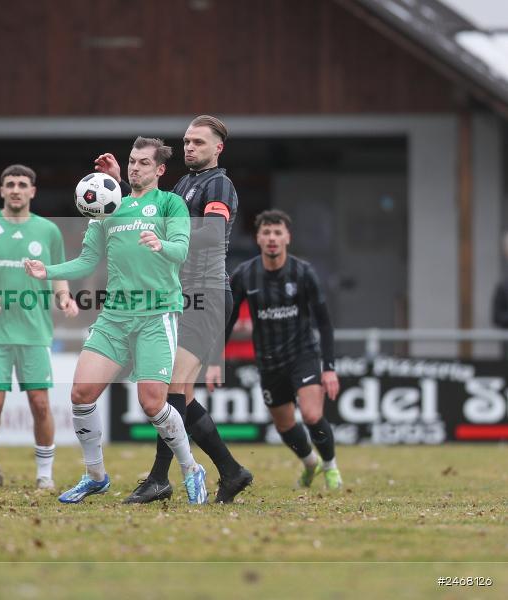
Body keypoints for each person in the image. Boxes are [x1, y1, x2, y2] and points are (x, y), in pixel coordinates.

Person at [26, 137, 209, 504]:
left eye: (144, 162)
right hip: (114, 316)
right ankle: (95, 476)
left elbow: (181, 249)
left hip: (157, 313)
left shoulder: (170, 203)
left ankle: (191, 468)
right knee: (81, 394)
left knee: (153, 403)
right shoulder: (109, 207)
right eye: (132, 161)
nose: (135, 167)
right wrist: (48, 271)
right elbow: (86, 261)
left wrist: (160, 244)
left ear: (159, 170)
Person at [94, 115, 252, 504]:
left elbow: (213, 232)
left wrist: (167, 237)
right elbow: (147, 212)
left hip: (206, 293)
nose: (190, 147)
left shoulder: (218, 184)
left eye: (199, 142)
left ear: (218, 148)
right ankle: (232, 471)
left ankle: (159, 478)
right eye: (186, 141)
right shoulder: (182, 185)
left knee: (169, 389)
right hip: (179, 296)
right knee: (182, 395)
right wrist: (120, 183)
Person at [0, 164, 78, 491]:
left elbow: (57, 272)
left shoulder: (48, 231)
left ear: (33, 191)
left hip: (34, 331)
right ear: (1, 190)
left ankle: (45, 475)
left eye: (22, 184)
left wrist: (64, 296)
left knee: (40, 403)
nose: (16, 190)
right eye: (10, 184)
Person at [226, 209, 342, 490]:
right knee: (285, 425)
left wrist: (329, 368)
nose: (272, 238)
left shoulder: (303, 273)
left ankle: (330, 467)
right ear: (258, 238)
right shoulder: (245, 275)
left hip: (303, 354)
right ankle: (310, 463)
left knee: (312, 415)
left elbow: (324, 322)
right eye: (266, 233)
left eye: (277, 232)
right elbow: (228, 319)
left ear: (287, 237)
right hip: (268, 361)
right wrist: (213, 356)